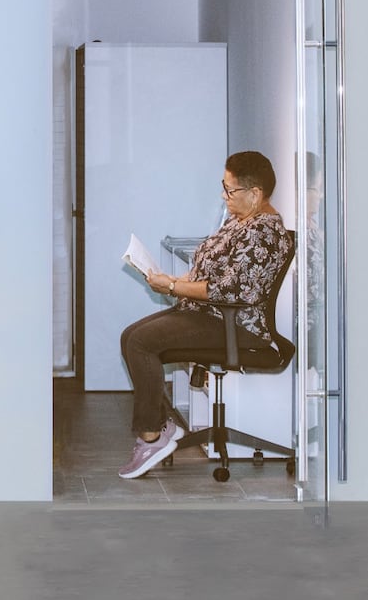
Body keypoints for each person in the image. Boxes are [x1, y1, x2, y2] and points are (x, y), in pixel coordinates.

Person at [116, 150, 294, 479]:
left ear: (254, 194)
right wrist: (169, 280)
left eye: (230, 190)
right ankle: (158, 427)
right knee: (131, 336)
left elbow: (225, 290)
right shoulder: (241, 222)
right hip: (208, 314)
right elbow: (207, 273)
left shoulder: (264, 234)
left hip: (235, 324)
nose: (224, 196)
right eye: (223, 187)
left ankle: (152, 436)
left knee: (140, 342)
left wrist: (171, 287)